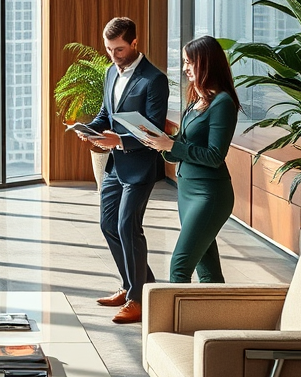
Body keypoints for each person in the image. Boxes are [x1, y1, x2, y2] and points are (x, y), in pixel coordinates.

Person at [76, 17, 169, 324]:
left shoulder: (153, 79)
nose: (113, 55)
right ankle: (136, 286)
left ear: (134, 43)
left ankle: (137, 298)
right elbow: (106, 115)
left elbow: (154, 131)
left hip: (141, 164)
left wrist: (121, 140)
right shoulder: (108, 74)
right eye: (108, 49)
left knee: (128, 226)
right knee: (108, 225)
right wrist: (90, 130)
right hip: (116, 163)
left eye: (118, 49)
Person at [137, 36, 239, 284]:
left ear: (206, 63)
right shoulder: (197, 100)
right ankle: (216, 319)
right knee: (208, 270)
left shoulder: (223, 103)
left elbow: (215, 156)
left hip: (209, 195)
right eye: (184, 62)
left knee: (179, 266)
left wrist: (172, 145)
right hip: (187, 190)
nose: (185, 68)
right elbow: (180, 147)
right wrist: (157, 142)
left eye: (189, 62)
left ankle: (172, 323)